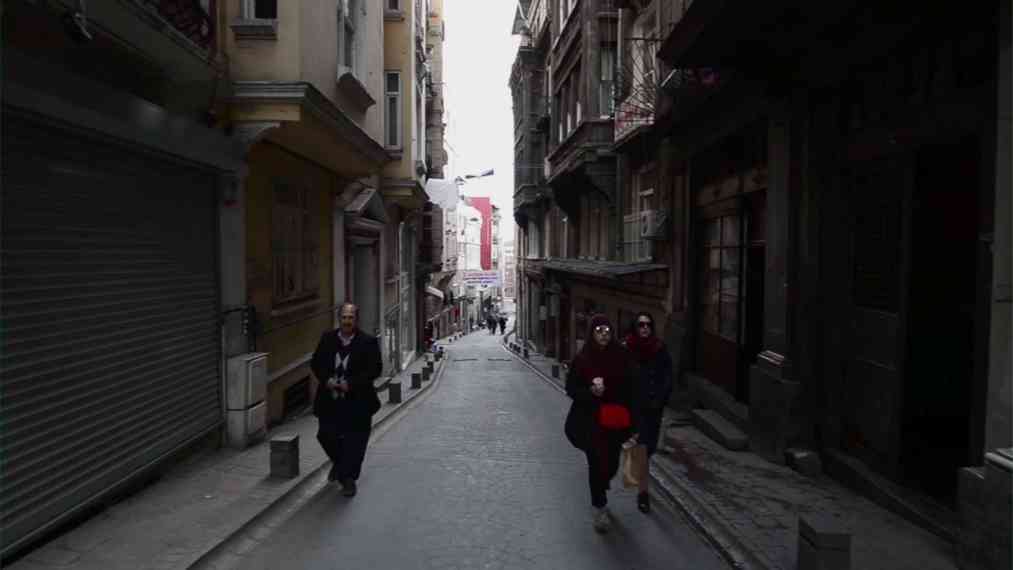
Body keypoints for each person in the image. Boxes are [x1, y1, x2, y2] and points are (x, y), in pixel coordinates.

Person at [564, 314, 633, 533]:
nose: (604, 334)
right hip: (590, 422)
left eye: (607, 330)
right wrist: (591, 392)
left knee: (611, 464)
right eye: (599, 330)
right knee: (595, 463)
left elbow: (631, 386)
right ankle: (599, 507)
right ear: (592, 333)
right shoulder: (583, 358)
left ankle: (603, 483)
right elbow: (571, 389)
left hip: (613, 420)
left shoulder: (621, 356)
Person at [310, 302, 383, 497]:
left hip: (358, 402)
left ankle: (348, 479)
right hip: (330, 400)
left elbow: (375, 369)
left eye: (350, 318)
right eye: (344, 317)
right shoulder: (327, 339)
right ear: (339, 319)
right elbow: (316, 363)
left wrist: (350, 384)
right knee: (325, 435)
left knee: (355, 442)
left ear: (356, 320)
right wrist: (326, 380)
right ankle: (340, 464)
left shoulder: (368, 342)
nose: (347, 321)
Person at [624, 311, 674, 514]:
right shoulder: (627, 348)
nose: (645, 328)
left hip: (654, 408)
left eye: (648, 325)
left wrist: (661, 398)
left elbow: (668, 376)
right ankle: (643, 494)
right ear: (635, 327)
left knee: (649, 449)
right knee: (641, 450)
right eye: (641, 325)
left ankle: (640, 481)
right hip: (635, 409)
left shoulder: (659, 348)